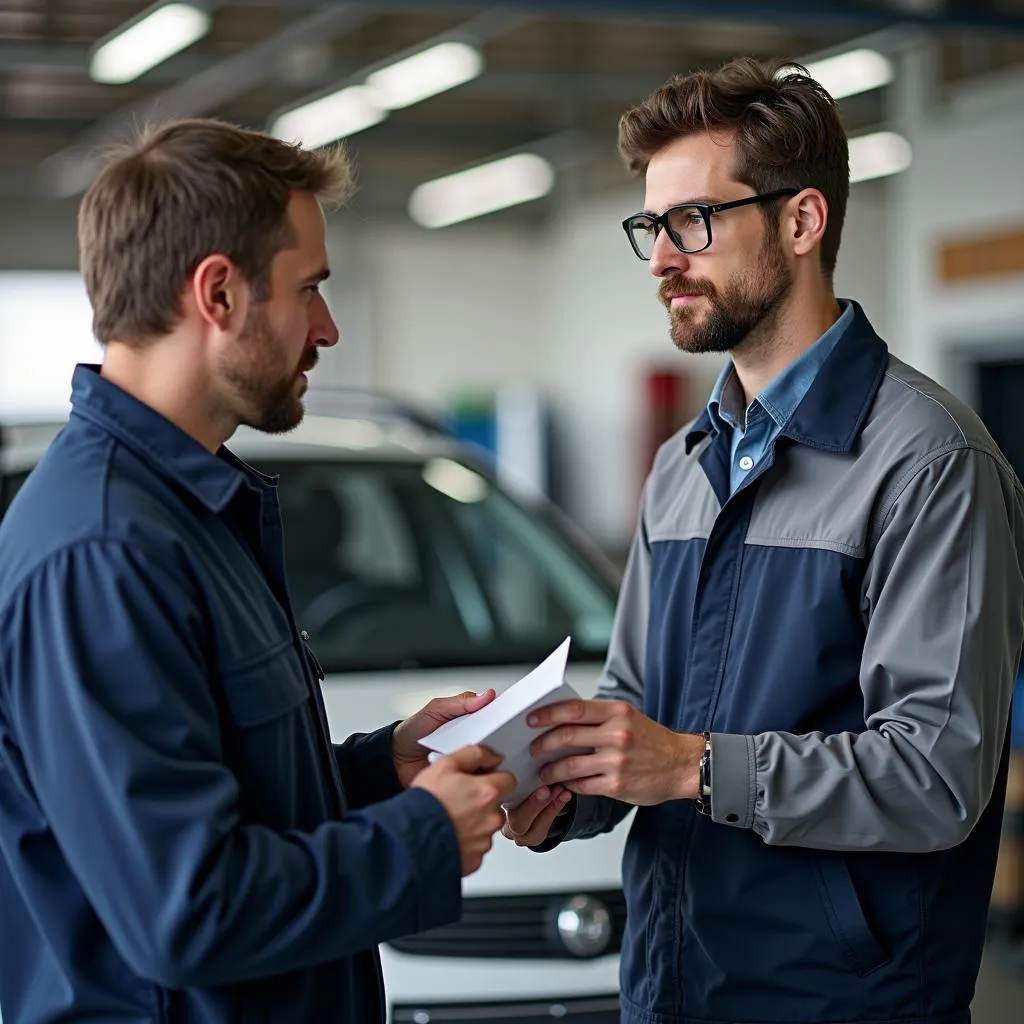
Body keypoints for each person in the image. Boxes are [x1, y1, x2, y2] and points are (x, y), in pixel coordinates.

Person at [504, 57, 1024, 1024]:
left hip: (838, 1000)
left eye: (692, 222)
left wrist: (692, 767)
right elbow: (641, 707)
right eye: (649, 228)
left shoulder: (930, 464)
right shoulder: (681, 465)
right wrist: (570, 787)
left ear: (801, 221)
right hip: (669, 982)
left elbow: (935, 775)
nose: (662, 259)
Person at [0, 119, 516, 1023]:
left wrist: (376, 771)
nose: (328, 327)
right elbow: (185, 909)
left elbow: (210, 792)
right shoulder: (105, 549)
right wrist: (422, 836)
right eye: (308, 289)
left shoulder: (186, 512)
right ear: (219, 293)